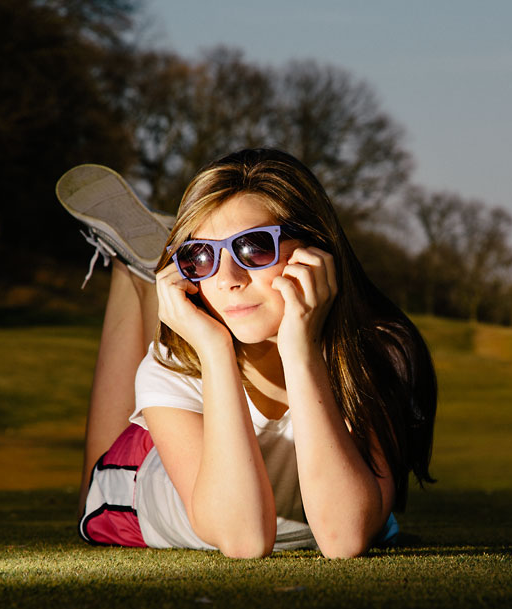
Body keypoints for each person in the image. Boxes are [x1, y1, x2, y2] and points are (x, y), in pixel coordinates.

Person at [61, 148, 437, 558]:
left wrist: (301, 351)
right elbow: (244, 540)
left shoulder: (379, 350)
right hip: (142, 486)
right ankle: (131, 272)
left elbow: (344, 538)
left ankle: (146, 269)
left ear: (315, 249)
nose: (227, 278)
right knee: (91, 496)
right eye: (200, 256)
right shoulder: (173, 367)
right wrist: (214, 350)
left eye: (254, 247)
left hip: (210, 421)